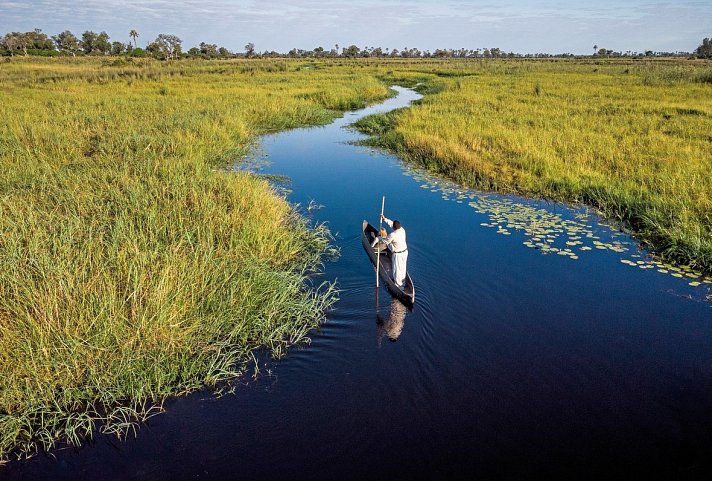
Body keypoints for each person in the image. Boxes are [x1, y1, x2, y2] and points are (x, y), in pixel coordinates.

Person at [371, 214, 408, 288]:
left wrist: (379, 238)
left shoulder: (393, 235)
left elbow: (385, 242)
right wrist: (385, 219)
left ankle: (398, 286)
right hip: (405, 252)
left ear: (394, 228)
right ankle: (403, 282)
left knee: (396, 269)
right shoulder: (402, 230)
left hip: (398, 254)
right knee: (403, 268)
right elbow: (392, 224)